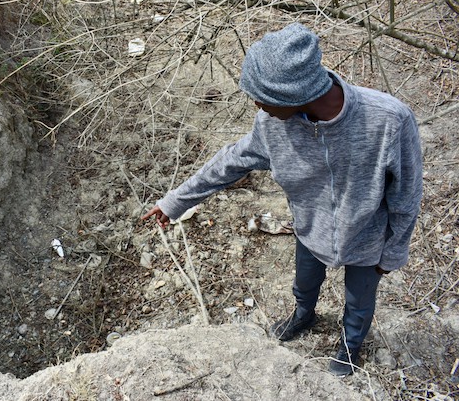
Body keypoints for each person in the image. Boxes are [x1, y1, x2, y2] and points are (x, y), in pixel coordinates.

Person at [141, 23, 423, 376]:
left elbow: (407, 194)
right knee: (304, 285)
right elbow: (232, 160)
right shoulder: (273, 123)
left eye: (262, 97)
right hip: (309, 230)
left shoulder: (388, 120)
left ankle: (350, 348)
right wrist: (176, 200)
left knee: (359, 302)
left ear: (294, 95)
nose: (257, 105)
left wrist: (393, 252)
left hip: (368, 239)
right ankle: (303, 316)